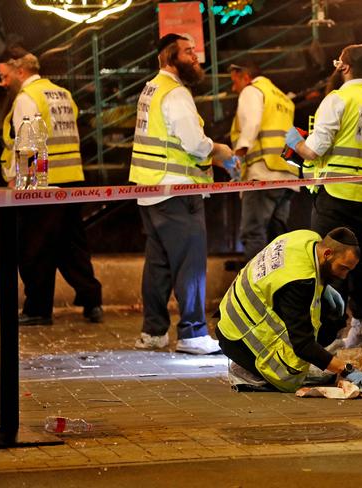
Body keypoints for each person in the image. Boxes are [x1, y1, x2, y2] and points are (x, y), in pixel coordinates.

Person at [130, 34, 234, 354]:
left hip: (150, 189)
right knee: (190, 264)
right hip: (177, 189)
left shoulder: (152, 89)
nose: (195, 58)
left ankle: (154, 332)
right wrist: (219, 150)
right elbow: (193, 143)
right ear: (168, 58)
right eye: (188, 53)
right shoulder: (175, 94)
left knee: (158, 265)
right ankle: (192, 334)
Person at [284, 44, 362, 349]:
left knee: (328, 261)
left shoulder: (338, 99)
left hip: (336, 192)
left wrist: (295, 142)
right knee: (361, 260)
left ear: (344, 67)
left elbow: (314, 150)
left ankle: (327, 333)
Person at [0, 50, 103, 326]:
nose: (3, 83)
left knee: (35, 249)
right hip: (73, 178)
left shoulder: (27, 98)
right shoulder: (62, 94)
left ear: (20, 72)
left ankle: (37, 309)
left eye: (5, 76)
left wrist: (23, 182)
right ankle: (92, 301)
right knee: (73, 246)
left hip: (43, 184)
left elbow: (28, 144)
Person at [215, 227, 362, 394]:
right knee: (290, 377)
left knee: (332, 315)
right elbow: (303, 344)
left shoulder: (309, 239)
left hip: (236, 316)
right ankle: (250, 372)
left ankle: (304, 361)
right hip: (238, 337)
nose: (344, 276)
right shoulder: (298, 282)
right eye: (343, 268)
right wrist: (347, 369)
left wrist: (324, 287)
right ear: (327, 253)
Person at [229, 60, 298, 261]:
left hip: (262, 173)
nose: (234, 88)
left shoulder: (252, 91)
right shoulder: (284, 99)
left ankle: (255, 289)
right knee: (278, 240)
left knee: (254, 233)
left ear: (246, 77)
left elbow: (252, 123)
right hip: (287, 177)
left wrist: (237, 156)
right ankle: (278, 289)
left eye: (235, 82)